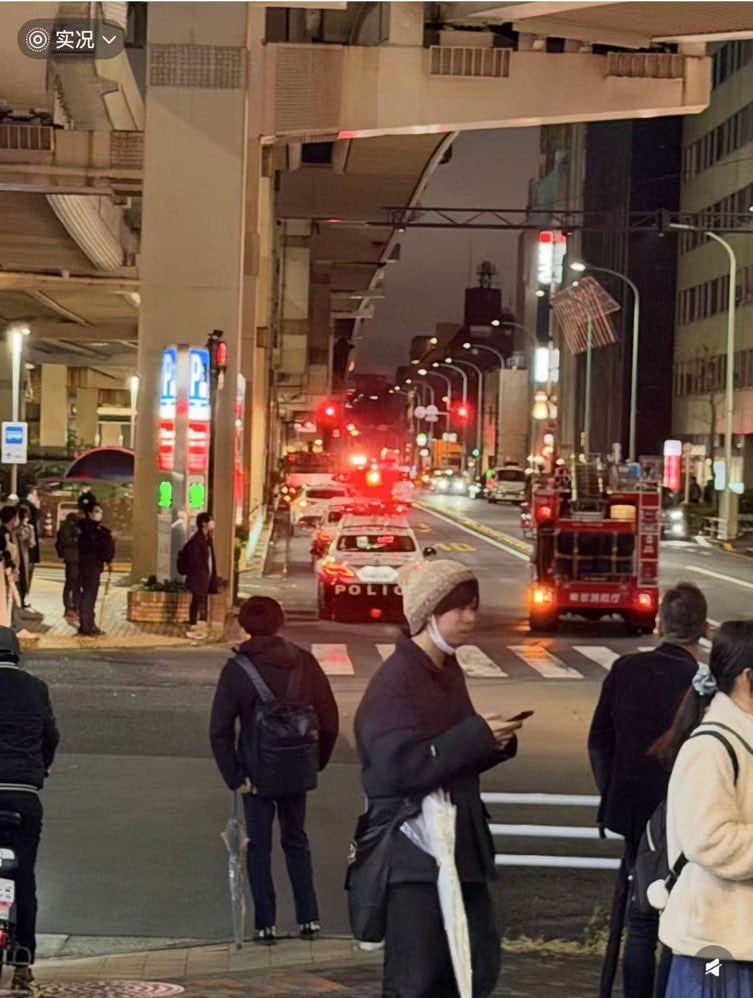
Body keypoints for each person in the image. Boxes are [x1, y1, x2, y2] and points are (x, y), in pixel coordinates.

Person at [354, 560, 523, 998]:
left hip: (453, 846)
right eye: (460, 609)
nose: (471, 618)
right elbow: (401, 766)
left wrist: (493, 742)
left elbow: (449, 753)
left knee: (474, 966)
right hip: (415, 851)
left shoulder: (445, 669)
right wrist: (475, 735)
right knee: (420, 977)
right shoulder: (399, 679)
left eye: (474, 607)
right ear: (430, 613)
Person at [588, 582, 708, 998]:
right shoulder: (702, 684)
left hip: (631, 811)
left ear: (660, 623)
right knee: (677, 920)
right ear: (702, 628)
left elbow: (599, 740)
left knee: (638, 918)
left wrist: (613, 790)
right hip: (680, 819)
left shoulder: (625, 669)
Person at [210, 596, 338, 944]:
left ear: (244, 625)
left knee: (259, 847)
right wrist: (316, 762)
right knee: (297, 842)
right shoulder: (304, 662)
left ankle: (265, 925)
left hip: (256, 774)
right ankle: (308, 919)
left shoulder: (238, 669)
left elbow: (220, 730)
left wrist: (235, 777)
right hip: (297, 770)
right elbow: (329, 719)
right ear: (281, 622)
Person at [651, 620, 753, 996]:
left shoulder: (738, 736)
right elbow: (709, 840)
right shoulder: (710, 747)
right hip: (714, 944)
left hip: (735, 935)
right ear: (747, 678)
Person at [0, 626, 59, 992]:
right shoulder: (35, 688)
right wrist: (41, 767)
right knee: (24, 876)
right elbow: (50, 736)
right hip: (23, 794)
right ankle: (23, 958)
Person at [77, 493, 115, 637]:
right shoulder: (92, 531)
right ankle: (87, 625)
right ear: (89, 513)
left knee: (87, 594)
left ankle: (86, 623)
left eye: (100, 511)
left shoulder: (92, 529)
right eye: (97, 511)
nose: (100, 514)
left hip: (89, 565)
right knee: (89, 595)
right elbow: (102, 548)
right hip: (90, 565)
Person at [178, 512, 217, 636]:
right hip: (198, 575)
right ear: (203, 523)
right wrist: (201, 571)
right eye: (210, 520)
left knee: (201, 598)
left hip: (205, 575)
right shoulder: (197, 540)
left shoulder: (207, 538)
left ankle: (199, 621)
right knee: (197, 599)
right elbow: (194, 560)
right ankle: (193, 623)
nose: (212, 523)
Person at [55, 511, 81, 623]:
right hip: (72, 558)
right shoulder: (68, 526)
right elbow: (66, 540)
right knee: (71, 582)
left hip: (76, 558)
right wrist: (78, 540)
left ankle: (75, 607)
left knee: (76, 584)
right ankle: (69, 608)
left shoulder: (76, 524)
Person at [19, 488, 41, 606]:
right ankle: (21, 599)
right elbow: (32, 521)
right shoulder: (25, 507)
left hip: (29, 549)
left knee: (26, 575)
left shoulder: (27, 506)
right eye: (35, 495)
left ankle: (22, 599)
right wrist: (37, 508)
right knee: (25, 575)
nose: (37, 498)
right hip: (27, 550)